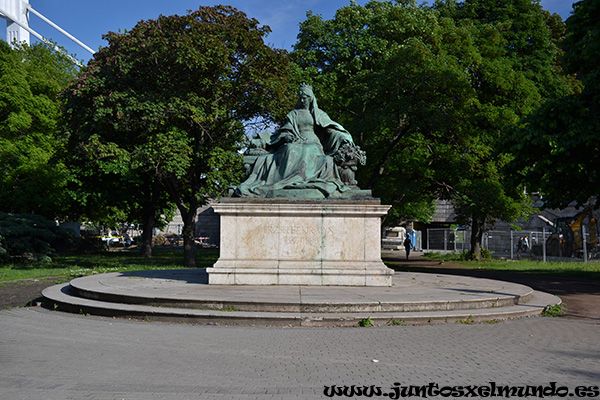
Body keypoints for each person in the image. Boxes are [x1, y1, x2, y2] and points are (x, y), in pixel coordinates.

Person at [234, 84, 355, 198]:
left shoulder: (318, 114)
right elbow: (285, 131)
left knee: (310, 150)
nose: (302, 101)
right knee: (289, 149)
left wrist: (343, 138)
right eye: (301, 98)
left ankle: (301, 178)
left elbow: (330, 129)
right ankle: (290, 179)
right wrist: (287, 137)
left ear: (311, 98)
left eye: (305, 98)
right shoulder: (293, 114)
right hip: (295, 141)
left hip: (313, 142)